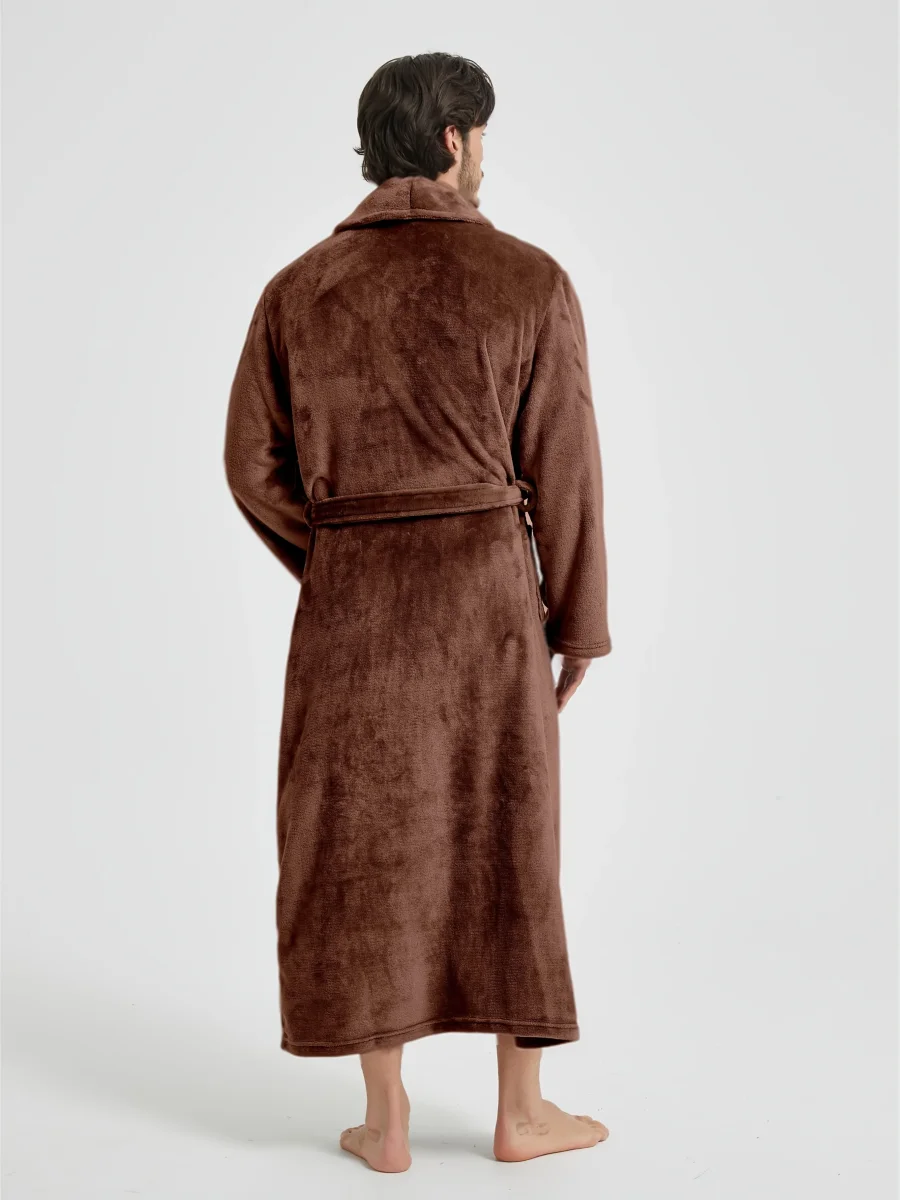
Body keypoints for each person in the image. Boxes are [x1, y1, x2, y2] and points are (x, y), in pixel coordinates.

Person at [224, 52, 613, 1173]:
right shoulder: (529, 280)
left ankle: (385, 1118)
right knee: (508, 831)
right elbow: (567, 467)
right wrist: (577, 624)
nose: (485, 156)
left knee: (361, 841)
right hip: (489, 610)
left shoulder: (297, 290)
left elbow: (251, 464)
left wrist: (344, 554)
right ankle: (521, 1113)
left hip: (352, 620)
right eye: (481, 136)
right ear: (453, 140)